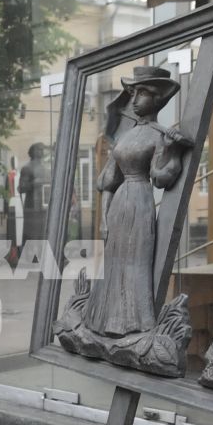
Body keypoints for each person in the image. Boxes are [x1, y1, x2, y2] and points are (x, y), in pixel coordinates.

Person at [86, 68, 190, 336]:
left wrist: (172, 151)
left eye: (141, 93)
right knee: (114, 263)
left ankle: (132, 324)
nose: (134, 99)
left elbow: (161, 178)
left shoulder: (160, 136)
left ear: (156, 99)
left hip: (140, 202)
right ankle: (104, 321)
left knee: (135, 263)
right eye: (133, 93)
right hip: (120, 203)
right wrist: (104, 220)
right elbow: (108, 181)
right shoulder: (124, 135)